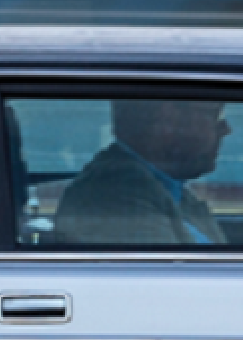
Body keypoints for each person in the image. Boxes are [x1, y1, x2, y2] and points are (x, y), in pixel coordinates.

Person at [50, 96, 231, 246]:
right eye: (215, 116)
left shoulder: (165, 189)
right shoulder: (116, 198)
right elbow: (170, 282)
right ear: (167, 118)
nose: (226, 130)